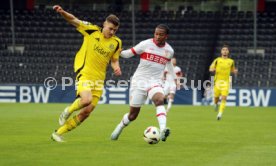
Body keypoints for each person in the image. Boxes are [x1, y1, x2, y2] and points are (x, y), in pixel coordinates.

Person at [51, 5, 122, 142]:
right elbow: (74, 20)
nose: (112, 32)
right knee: (86, 100)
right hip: (85, 72)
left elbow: (114, 60)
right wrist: (62, 12)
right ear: (104, 24)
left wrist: (116, 67)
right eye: (110, 28)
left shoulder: (117, 42)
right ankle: (68, 110)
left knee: (86, 112)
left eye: (115, 30)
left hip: (99, 80)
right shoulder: (91, 30)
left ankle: (58, 133)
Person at [110, 24, 177, 142]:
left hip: (155, 81)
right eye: (156, 34)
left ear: (166, 36)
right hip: (139, 81)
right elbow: (128, 54)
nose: (157, 36)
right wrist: (118, 51)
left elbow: (169, 64)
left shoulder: (169, 51)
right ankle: (120, 127)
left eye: (161, 35)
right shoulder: (145, 44)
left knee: (159, 100)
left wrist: (175, 78)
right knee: (133, 115)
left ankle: (162, 130)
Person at [209, 44, 238, 120]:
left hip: (226, 83)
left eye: (226, 50)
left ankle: (220, 114)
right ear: (221, 51)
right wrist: (212, 69)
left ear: (228, 52)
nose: (225, 51)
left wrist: (234, 71)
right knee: (216, 98)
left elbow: (232, 69)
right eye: (223, 50)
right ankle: (215, 104)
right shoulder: (217, 60)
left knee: (224, 98)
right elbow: (211, 68)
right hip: (217, 82)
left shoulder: (231, 61)